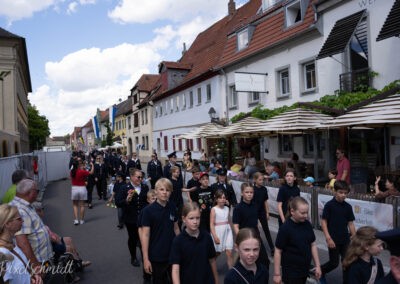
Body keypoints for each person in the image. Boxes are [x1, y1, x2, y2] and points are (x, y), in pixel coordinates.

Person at [9, 179, 53, 279]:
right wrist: (36, 266)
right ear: (29, 192)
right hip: (38, 260)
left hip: (39, 258)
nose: (37, 193)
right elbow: (22, 243)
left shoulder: (23, 205)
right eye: (36, 191)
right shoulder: (20, 210)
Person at [273, 196, 321, 284]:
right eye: (302, 213)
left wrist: (317, 265)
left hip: (304, 270)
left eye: (307, 212)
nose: (306, 215)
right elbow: (278, 250)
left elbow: (313, 244)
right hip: (291, 273)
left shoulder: (307, 224)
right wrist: (277, 274)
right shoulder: (285, 228)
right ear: (292, 211)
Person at [141, 178, 180, 284]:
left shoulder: (172, 206)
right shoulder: (148, 211)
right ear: (156, 191)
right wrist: (145, 259)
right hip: (156, 256)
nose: (164, 192)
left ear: (171, 192)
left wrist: (182, 246)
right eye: (161, 189)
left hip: (172, 253)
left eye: (167, 190)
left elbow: (176, 228)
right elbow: (145, 235)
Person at [170, 202, 219, 284]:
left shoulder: (206, 236)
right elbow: (175, 269)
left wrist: (216, 280)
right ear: (184, 219)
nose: (195, 222)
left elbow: (212, 260)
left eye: (197, 218)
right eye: (191, 218)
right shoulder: (178, 241)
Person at [31, 202, 91, 269]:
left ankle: (79, 260)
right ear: (38, 211)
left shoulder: (39, 221)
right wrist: (57, 241)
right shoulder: (36, 223)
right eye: (42, 209)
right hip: (49, 245)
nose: (43, 211)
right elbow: (46, 236)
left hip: (53, 241)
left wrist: (57, 238)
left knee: (68, 239)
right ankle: (77, 265)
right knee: (68, 248)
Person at [320, 180, 356, 284]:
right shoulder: (329, 205)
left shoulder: (348, 207)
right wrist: (328, 238)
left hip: (345, 240)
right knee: (334, 263)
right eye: (341, 192)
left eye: (345, 193)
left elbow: (350, 223)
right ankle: (321, 271)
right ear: (334, 191)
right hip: (333, 240)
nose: (343, 195)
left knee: (347, 263)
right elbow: (324, 222)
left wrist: (355, 236)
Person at [115, 169, 149, 267]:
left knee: (144, 238)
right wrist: (126, 200)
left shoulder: (145, 187)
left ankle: (145, 257)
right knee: (133, 239)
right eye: (138, 177)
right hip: (131, 219)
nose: (140, 179)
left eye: (142, 177)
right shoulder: (124, 188)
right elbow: (117, 203)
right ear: (132, 177)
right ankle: (133, 257)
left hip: (143, 218)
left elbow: (147, 201)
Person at [0, 204, 42, 284]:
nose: (22, 221)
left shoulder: (11, 243)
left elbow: (20, 273)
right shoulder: (2, 253)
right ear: (7, 224)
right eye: (19, 219)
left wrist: (32, 276)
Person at [232, 183, 269, 268]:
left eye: (251, 192)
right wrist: (241, 238)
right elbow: (236, 226)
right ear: (242, 193)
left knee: (265, 261)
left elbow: (255, 220)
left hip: (256, 236)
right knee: (244, 263)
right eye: (247, 192)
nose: (249, 194)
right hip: (244, 237)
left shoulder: (255, 205)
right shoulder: (238, 208)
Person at [210, 190, 234, 269]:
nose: (222, 199)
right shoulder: (214, 209)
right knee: (217, 252)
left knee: (229, 252)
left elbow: (229, 221)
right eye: (220, 198)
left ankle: (232, 272)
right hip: (218, 232)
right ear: (216, 199)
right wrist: (215, 236)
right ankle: (210, 266)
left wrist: (233, 232)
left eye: (224, 198)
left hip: (227, 231)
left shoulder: (227, 208)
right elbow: (212, 224)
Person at [252, 172, 274, 256]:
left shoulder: (264, 189)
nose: (261, 181)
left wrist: (267, 212)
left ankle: (272, 248)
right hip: (254, 212)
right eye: (260, 180)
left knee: (266, 229)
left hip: (262, 212)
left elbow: (265, 201)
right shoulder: (252, 190)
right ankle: (259, 249)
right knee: (256, 231)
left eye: (262, 180)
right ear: (255, 180)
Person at [70, 159, 94, 225]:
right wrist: (92, 165)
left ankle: (76, 220)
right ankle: (82, 220)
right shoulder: (82, 171)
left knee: (75, 205)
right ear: (78, 165)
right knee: (82, 205)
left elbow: (71, 179)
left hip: (74, 188)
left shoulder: (71, 172)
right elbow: (91, 172)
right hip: (82, 188)